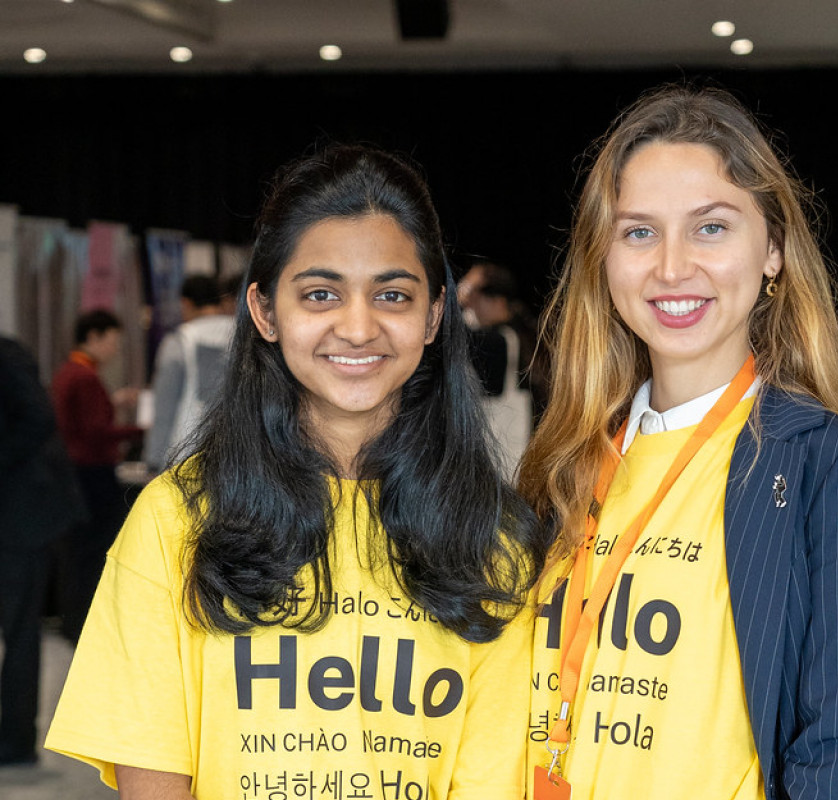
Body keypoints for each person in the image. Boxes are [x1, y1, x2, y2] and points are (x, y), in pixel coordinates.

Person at [45, 144, 545, 799]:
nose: (358, 327)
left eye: (391, 294)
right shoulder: (177, 519)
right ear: (265, 311)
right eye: (320, 293)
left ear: (432, 315)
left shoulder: (495, 539)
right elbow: (154, 770)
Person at [518, 85, 838, 800]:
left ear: (773, 250)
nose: (672, 267)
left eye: (710, 228)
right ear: (603, 261)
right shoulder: (563, 465)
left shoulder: (835, 464)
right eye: (639, 232)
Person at [0, 336, 85, 766]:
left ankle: (15, 741)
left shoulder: (7, 354)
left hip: (21, 518)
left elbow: (37, 418)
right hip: (18, 514)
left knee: (19, 633)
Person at [50, 309, 143, 643]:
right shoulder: (84, 377)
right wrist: (140, 430)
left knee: (77, 553)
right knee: (95, 553)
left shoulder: (70, 372)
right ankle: (85, 625)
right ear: (93, 337)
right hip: (92, 474)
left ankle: (73, 622)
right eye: (112, 341)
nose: (115, 350)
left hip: (74, 473)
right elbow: (95, 432)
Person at [458, 261, 544, 475]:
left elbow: (450, 333)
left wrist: (458, 298)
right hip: (515, 455)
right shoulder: (522, 333)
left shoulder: (497, 340)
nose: (470, 306)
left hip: (501, 459)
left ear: (496, 300)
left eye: (474, 296)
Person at [144, 274, 235, 473]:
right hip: (238, 452)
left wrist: (153, 461)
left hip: (185, 453)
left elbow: (164, 408)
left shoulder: (178, 342)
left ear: (186, 303)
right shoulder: (246, 336)